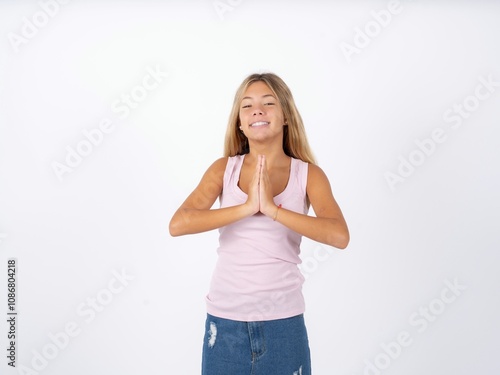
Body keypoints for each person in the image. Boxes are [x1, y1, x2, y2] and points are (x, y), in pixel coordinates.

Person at [169, 72, 349, 375]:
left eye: (269, 103)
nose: (257, 111)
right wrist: (247, 207)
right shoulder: (223, 169)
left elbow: (339, 235)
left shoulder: (308, 174)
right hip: (225, 326)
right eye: (247, 106)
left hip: (284, 325)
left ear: (285, 117)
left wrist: (272, 209)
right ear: (239, 122)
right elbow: (179, 223)